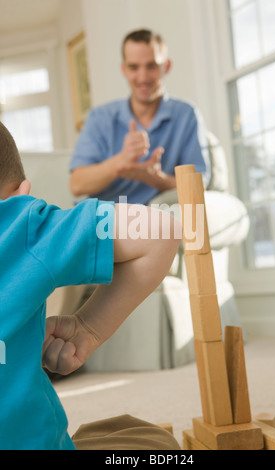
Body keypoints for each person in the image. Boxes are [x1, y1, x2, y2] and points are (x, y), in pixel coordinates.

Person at [0, 121, 181, 450]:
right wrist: (88, 328)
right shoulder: (21, 224)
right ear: (20, 194)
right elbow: (161, 230)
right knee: (140, 437)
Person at [69, 28, 211, 205]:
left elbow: (198, 187)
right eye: (133, 67)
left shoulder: (186, 115)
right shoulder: (100, 117)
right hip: (105, 223)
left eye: (151, 66)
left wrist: (155, 178)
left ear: (166, 66)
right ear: (124, 69)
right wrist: (122, 161)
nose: (142, 77)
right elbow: (77, 185)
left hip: (153, 222)